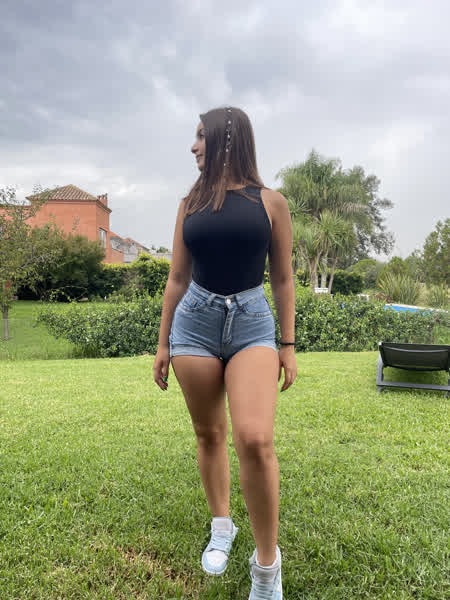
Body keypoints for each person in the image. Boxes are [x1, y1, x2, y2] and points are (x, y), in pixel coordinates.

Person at [153, 106, 297, 599]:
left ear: (226, 140)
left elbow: (283, 278)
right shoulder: (189, 204)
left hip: (252, 323)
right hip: (194, 323)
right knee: (209, 433)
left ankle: (267, 568)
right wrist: (162, 343)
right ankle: (222, 527)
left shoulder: (270, 202)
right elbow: (176, 278)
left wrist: (288, 345)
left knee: (254, 439)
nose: (194, 146)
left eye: (201, 136)